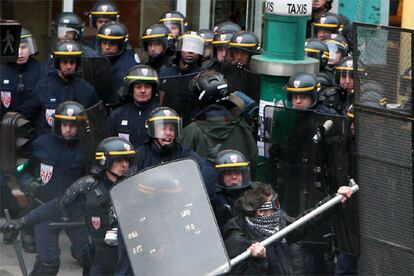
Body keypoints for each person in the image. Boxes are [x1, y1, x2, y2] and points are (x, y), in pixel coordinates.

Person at [0, 137, 136, 276]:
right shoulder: (87, 187)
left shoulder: (136, 186)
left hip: (131, 257)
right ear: (104, 160)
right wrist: (21, 222)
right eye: (119, 160)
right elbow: (55, 207)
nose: (125, 165)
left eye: (127, 160)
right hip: (100, 260)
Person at [115, 106, 217, 275]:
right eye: (163, 128)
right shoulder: (139, 155)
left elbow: (208, 172)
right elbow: (127, 188)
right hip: (145, 219)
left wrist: (191, 193)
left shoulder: (185, 154)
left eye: (171, 128)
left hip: (175, 218)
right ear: (152, 130)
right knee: (130, 259)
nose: (168, 133)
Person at [12, 101, 90, 275]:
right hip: (45, 208)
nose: (68, 129)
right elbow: (21, 168)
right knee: (48, 262)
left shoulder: (88, 147)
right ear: (57, 124)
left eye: (73, 125)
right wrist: (27, 182)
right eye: (65, 124)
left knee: (90, 256)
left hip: (76, 210)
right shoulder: (41, 144)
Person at [223, 183, 355, 275]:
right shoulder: (237, 239)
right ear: (260, 212)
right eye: (274, 205)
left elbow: (304, 224)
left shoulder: (276, 222)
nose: (278, 209)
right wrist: (258, 261)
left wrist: (334, 200)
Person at [181, 70, 257, 168]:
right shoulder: (242, 127)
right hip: (237, 182)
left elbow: (182, 166)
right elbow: (253, 160)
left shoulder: (192, 130)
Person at [21, 40, 99, 136]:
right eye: (65, 62)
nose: (69, 66)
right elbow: (27, 114)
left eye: (72, 62)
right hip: (48, 145)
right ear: (57, 63)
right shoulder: (44, 87)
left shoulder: (86, 90)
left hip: (76, 145)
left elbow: (96, 122)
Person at [109, 65, 160, 148]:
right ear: (131, 89)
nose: (143, 91)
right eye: (138, 87)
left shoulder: (160, 115)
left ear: (153, 90)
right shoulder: (117, 115)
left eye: (147, 87)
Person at [160, 31, 205, 124]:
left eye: (195, 48)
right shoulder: (166, 73)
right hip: (167, 124)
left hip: (193, 127)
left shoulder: (204, 75)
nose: (190, 51)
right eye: (187, 46)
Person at [1, 28, 45, 119]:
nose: (20, 53)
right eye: (16, 48)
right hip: (6, 126)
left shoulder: (41, 71)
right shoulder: (3, 72)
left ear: (30, 48)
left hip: (32, 126)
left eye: (23, 47)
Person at [97, 21, 140, 97]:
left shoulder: (127, 63)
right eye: (104, 43)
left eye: (112, 44)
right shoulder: (99, 57)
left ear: (121, 44)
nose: (107, 47)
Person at [212, 149, 252, 231]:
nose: (234, 177)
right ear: (221, 177)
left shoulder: (253, 193)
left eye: (237, 173)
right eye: (228, 174)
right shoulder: (214, 197)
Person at [221, 31, 261, 103]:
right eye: (236, 52)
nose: (239, 57)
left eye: (244, 53)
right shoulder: (227, 70)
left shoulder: (257, 76)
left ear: (251, 55)